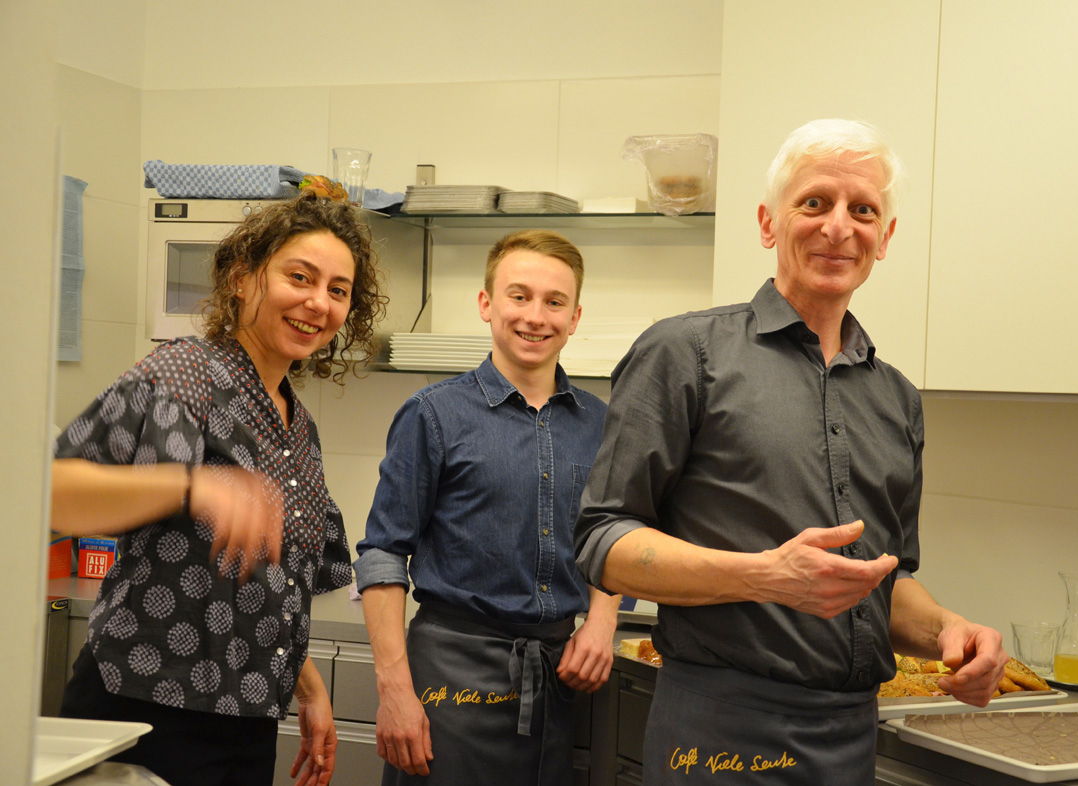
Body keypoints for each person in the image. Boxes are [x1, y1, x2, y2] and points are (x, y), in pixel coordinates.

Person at [574, 118, 1008, 785]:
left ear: (885, 237)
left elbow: (883, 585)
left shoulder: (896, 399)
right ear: (767, 223)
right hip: (719, 732)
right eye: (814, 202)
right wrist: (763, 576)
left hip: (850, 740)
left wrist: (949, 631)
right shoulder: (685, 353)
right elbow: (603, 542)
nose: (838, 227)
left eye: (863, 210)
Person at [51, 192, 386, 786]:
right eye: (299, 277)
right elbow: (52, 491)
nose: (318, 302)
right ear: (241, 278)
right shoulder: (184, 373)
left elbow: (267, 590)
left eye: (338, 290)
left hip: (247, 722)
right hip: (146, 707)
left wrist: (309, 688)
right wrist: (191, 486)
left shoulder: (298, 425)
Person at [355, 230, 620, 785]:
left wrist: (601, 620)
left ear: (574, 317)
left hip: (557, 678)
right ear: (486, 304)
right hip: (449, 675)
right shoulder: (433, 414)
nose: (535, 316)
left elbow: (614, 534)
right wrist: (395, 690)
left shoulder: (600, 424)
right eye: (518, 296)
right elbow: (383, 554)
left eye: (554, 302)